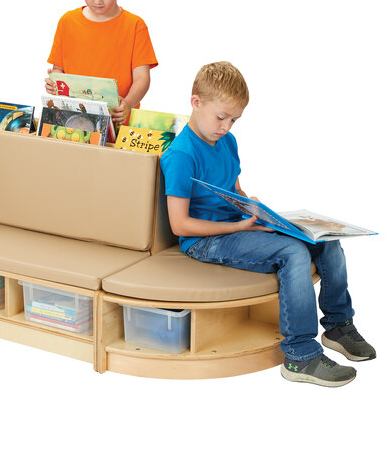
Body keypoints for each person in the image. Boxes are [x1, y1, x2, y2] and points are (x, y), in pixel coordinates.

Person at [160, 61, 375, 386]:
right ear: (196, 102)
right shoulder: (181, 155)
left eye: (234, 120)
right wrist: (238, 227)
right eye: (221, 117)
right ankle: (300, 356)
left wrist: (253, 207)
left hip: (237, 225)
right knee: (293, 253)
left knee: (326, 241)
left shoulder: (227, 142)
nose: (226, 127)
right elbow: (180, 225)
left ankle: (338, 326)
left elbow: (233, 189)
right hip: (204, 241)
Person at [46, 0, 158, 126]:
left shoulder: (135, 26)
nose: (97, 1)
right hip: (74, 121)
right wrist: (55, 84)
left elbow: (142, 78)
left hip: (118, 122)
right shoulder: (67, 22)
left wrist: (128, 103)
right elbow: (59, 69)